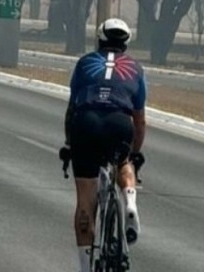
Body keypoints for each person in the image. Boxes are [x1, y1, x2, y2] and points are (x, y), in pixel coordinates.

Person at [60, 18, 147, 272]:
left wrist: (69, 143)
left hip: (85, 123)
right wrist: (136, 153)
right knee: (124, 160)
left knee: (85, 203)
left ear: (99, 40)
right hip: (120, 123)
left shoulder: (84, 63)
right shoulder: (136, 69)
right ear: (126, 44)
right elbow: (140, 121)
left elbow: (72, 108)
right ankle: (129, 200)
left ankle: (86, 267)